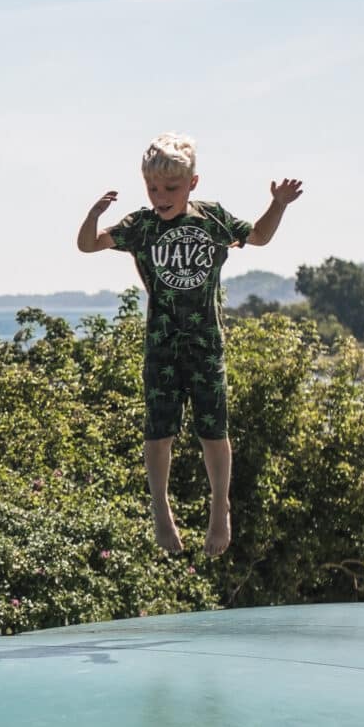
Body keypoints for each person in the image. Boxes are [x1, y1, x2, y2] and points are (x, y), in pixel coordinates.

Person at [77, 133, 302, 556]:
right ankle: (161, 509)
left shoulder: (211, 219)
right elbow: (88, 244)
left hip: (206, 345)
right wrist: (93, 214)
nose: (160, 196)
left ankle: (221, 507)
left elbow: (258, 237)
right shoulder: (140, 226)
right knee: (159, 433)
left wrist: (278, 205)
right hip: (161, 346)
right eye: (153, 188)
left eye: (171, 188)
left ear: (192, 184)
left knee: (213, 432)